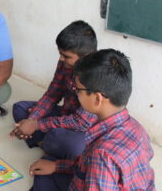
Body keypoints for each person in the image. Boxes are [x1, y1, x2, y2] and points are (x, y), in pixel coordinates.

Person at [29, 49, 155, 190]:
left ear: (97, 98)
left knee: (41, 181)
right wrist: (57, 166)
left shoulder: (102, 155)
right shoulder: (138, 129)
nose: (76, 94)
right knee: (48, 163)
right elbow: (86, 164)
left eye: (78, 90)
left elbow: (96, 165)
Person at [10, 21, 98, 159]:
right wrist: (32, 120)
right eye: (60, 54)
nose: (61, 59)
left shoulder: (98, 75)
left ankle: (46, 141)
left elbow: (82, 122)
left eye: (66, 56)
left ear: (86, 55)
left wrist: (38, 125)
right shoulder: (64, 64)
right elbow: (52, 95)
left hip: (84, 129)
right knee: (20, 109)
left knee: (73, 146)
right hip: (64, 116)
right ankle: (48, 143)